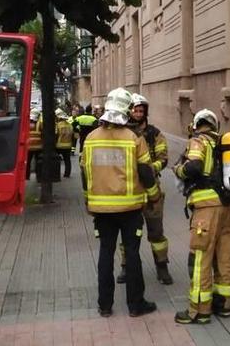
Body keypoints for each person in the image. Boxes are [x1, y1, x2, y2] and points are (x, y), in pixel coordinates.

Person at [81, 88, 158, 318]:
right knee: (132, 254)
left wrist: (88, 199)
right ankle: (136, 305)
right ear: (125, 110)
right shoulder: (134, 139)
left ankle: (105, 305)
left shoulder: (91, 138)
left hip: (101, 210)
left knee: (106, 253)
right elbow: (146, 172)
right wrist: (153, 196)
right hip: (130, 208)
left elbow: (85, 173)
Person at [172, 109, 230, 324]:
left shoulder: (198, 141)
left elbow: (194, 166)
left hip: (207, 209)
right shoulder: (223, 143)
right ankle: (224, 304)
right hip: (228, 208)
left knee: (201, 257)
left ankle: (199, 310)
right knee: (225, 256)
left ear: (197, 124)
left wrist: (178, 170)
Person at [116, 94, 173, 285]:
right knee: (128, 232)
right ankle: (125, 267)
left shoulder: (154, 133)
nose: (138, 114)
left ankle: (162, 267)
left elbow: (163, 158)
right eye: (135, 110)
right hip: (130, 189)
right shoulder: (121, 132)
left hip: (152, 190)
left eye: (141, 111)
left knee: (156, 231)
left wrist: (149, 168)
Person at [55, 108, 74, 178]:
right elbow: (73, 135)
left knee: (56, 160)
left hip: (59, 145)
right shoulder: (70, 125)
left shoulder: (58, 125)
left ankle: (56, 173)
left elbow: (56, 135)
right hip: (68, 145)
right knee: (67, 161)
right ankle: (67, 174)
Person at [26, 108, 42, 179]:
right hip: (38, 146)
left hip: (29, 146)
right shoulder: (39, 123)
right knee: (38, 162)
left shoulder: (27, 123)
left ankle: (27, 176)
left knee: (28, 162)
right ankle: (38, 177)